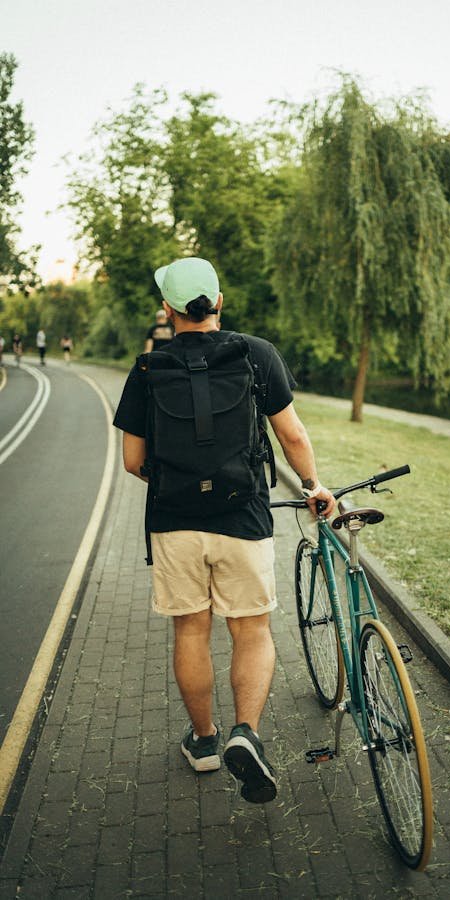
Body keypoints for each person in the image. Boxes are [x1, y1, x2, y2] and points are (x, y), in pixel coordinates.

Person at [114, 257, 335, 804]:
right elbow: (292, 435)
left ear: (167, 310)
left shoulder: (147, 368)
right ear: (219, 302)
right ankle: (246, 734)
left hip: (174, 522)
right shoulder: (256, 354)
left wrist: (179, 480)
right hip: (244, 518)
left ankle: (205, 742)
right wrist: (313, 485)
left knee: (191, 630)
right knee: (251, 629)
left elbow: (133, 461)